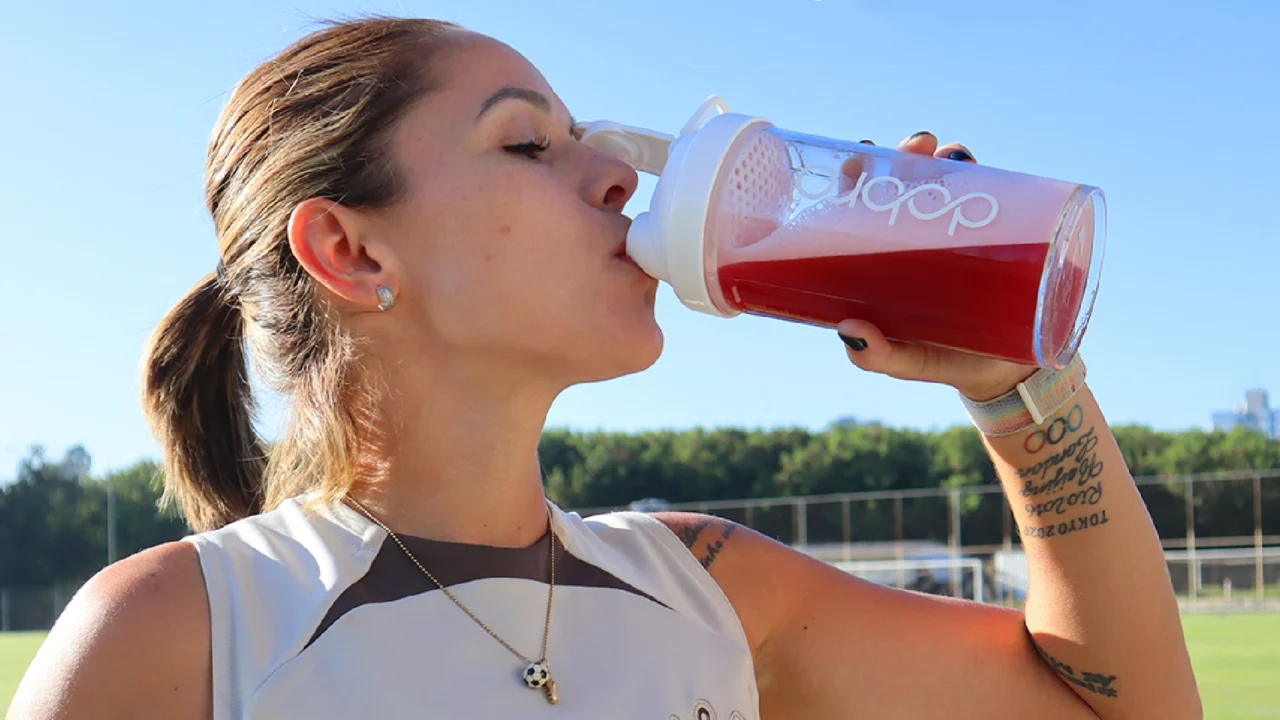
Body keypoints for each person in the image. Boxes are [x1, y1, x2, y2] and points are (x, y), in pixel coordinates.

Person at [9, 17, 1201, 720]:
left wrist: (1019, 391)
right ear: (351, 249)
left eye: (586, 139)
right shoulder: (176, 632)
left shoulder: (711, 587)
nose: (618, 178)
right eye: (527, 141)